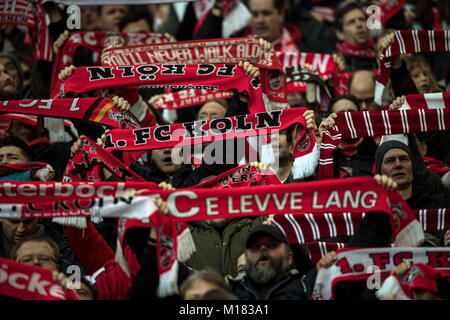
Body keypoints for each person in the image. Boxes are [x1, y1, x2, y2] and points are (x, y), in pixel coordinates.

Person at [333, 1, 377, 72]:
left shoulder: (381, 54)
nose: (359, 24)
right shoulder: (336, 64)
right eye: (351, 22)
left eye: (362, 19)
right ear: (340, 33)